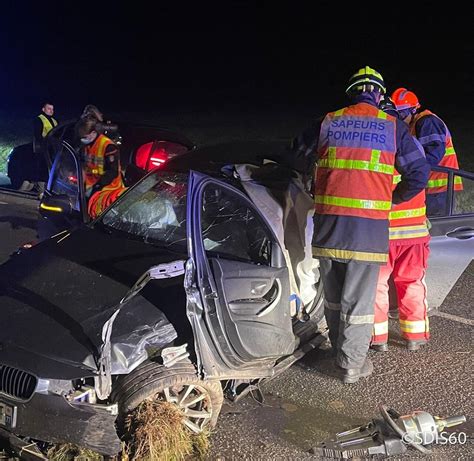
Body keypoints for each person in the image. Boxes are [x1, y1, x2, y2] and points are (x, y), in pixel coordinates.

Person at [292, 66, 430, 383]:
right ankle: (351, 364)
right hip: (368, 231)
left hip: (328, 226)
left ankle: (336, 349)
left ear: (351, 93)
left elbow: (296, 155)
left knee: (333, 295)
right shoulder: (392, 126)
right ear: (380, 95)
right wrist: (392, 198)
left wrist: (315, 184)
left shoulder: (328, 121)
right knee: (359, 300)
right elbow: (419, 174)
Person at [371, 97, 430, 352]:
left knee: (377, 286)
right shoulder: (413, 147)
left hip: (381, 234)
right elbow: (419, 177)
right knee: (412, 283)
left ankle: (378, 339)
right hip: (414, 234)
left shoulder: (374, 150)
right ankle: (415, 337)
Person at [391, 88, 462, 216]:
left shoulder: (427, 122)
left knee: (438, 230)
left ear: (413, 110)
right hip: (433, 188)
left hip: (441, 188)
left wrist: (415, 171)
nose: (399, 118)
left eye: (401, 114)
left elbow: (434, 154)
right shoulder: (414, 126)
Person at [75, 116, 125, 218]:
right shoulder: (85, 145)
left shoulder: (108, 146)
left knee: (93, 214)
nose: (83, 139)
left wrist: (97, 186)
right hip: (89, 185)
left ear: (93, 133)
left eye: (85, 137)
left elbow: (112, 172)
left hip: (108, 188)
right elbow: (82, 164)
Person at [20, 102, 58, 195]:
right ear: (43, 109)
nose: (51, 111)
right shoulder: (39, 119)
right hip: (41, 148)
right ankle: (38, 187)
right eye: (49, 108)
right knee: (40, 167)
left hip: (50, 149)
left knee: (44, 168)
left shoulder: (54, 121)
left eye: (52, 109)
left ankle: (37, 186)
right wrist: (44, 144)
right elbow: (38, 135)